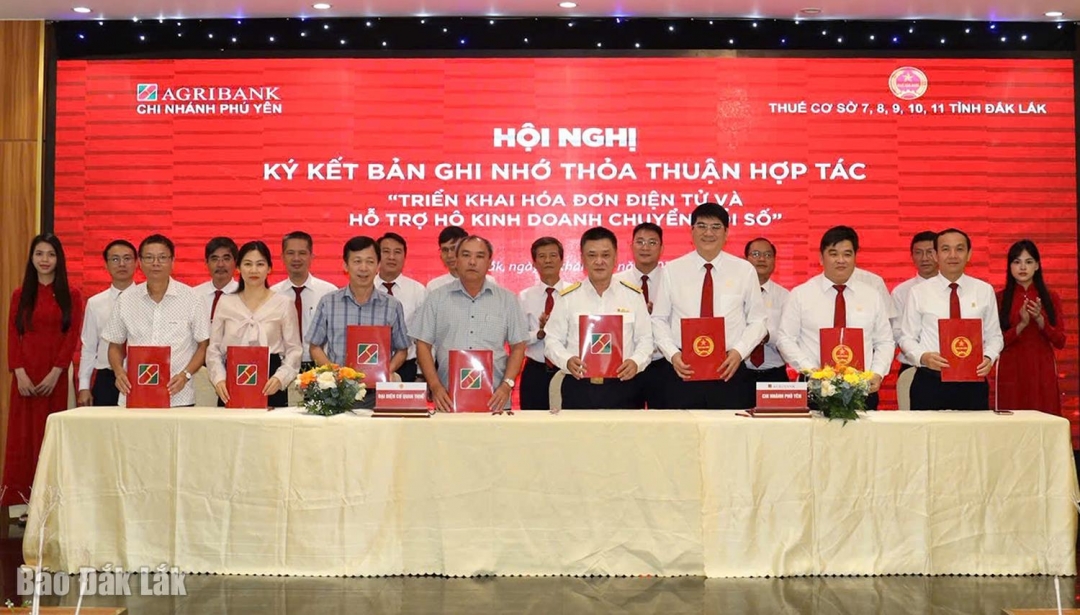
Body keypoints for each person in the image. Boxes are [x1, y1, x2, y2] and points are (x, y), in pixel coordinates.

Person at [651, 203, 767, 409]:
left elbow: (758, 321)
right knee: (682, 429)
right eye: (702, 226)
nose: (708, 233)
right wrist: (673, 354)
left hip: (729, 369)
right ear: (692, 231)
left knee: (729, 429)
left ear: (726, 233)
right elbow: (658, 319)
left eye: (715, 227)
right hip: (683, 370)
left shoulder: (744, 270)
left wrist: (739, 352)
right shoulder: (672, 270)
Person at [4, 233, 83, 509]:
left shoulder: (72, 295)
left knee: (52, 437)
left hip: (56, 377)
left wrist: (56, 372)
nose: (45, 259)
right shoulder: (20, 295)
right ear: (32, 258)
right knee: (23, 438)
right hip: (25, 377)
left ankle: (52, 504)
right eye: (39, 253)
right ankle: (22, 504)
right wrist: (19, 372)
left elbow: (71, 336)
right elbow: (13, 334)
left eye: (51, 254)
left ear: (59, 259)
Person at [776, 227, 894, 409]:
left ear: (855, 257)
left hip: (862, 390)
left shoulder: (872, 296)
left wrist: (877, 373)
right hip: (814, 389)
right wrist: (812, 371)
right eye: (833, 254)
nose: (841, 260)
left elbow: (885, 341)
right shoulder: (801, 295)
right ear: (821, 258)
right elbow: (785, 339)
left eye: (847, 254)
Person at [410, 236, 528, 412]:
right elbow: (422, 344)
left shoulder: (507, 300)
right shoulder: (436, 298)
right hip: (448, 399)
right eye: (466, 255)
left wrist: (507, 385)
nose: (472, 262)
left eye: (480, 256)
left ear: (489, 262)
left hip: (496, 400)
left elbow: (518, 347)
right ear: (456, 260)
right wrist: (435, 386)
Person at [545, 227, 653, 409]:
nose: (599, 261)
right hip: (579, 386)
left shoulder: (633, 295)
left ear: (616, 258)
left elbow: (646, 339)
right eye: (592, 255)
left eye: (606, 255)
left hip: (625, 386)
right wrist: (567, 360)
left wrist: (636, 362)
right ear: (582, 259)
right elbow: (552, 340)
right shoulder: (567, 297)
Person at [899, 228, 1003, 410]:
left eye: (959, 249)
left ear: (969, 254)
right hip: (930, 381)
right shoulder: (918, 292)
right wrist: (923, 357)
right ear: (936, 255)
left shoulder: (984, 290)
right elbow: (906, 337)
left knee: (974, 429)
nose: (953, 255)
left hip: (973, 383)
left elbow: (995, 336)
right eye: (946, 249)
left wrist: (989, 357)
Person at [102, 234, 210, 407]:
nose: (155, 263)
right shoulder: (126, 299)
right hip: (134, 393)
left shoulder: (192, 298)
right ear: (140, 262)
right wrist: (119, 372)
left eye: (162, 257)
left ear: (172, 261)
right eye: (149, 257)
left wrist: (186, 375)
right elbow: (115, 345)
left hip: (177, 396)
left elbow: (203, 345)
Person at [206, 241, 302, 408]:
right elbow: (213, 349)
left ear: (269, 268)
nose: (254, 270)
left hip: (270, 383)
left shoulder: (283, 303)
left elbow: (294, 349)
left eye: (260, 264)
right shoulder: (226, 302)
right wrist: (219, 379)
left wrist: (280, 378)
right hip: (232, 382)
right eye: (248, 264)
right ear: (238, 268)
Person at [307, 236, 409, 384]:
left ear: (378, 266)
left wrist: (386, 371)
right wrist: (334, 374)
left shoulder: (392, 305)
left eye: (370, 261)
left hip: (378, 389)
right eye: (357, 261)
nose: (363, 268)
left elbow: (402, 349)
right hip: (339, 391)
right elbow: (315, 346)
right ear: (345, 265)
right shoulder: (328, 302)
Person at [996, 239, 1066, 415]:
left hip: (1042, 367)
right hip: (1011, 369)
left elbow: (1060, 341)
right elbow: (995, 343)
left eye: (1028, 262)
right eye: (1017, 262)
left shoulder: (1051, 298)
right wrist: (1021, 325)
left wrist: (1040, 321)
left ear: (1037, 266)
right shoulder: (999, 298)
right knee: (1012, 420)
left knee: (1044, 417)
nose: (1022, 267)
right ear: (1010, 266)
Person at [613, 222, 669, 408]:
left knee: (665, 420)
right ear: (631, 246)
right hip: (627, 366)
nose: (645, 247)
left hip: (664, 364)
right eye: (640, 242)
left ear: (662, 248)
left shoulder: (672, 280)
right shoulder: (615, 282)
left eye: (652, 242)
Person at [77, 239, 137, 407]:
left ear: (136, 263)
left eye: (127, 258)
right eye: (115, 259)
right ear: (106, 264)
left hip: (139, 376)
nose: (121, 264)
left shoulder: (148, 299)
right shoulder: (95, 303)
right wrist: (84, 386)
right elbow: (89, 347)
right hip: (106, 378)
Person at [270, 231, 338, 371]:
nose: (296, 258)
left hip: (320, 366)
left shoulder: (329, 292)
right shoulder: (272, 294)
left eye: (302, 253)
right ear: (282, 257)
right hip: (282, 367)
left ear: (311, 256)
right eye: (290, 253)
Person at [518, 237, 568, 410]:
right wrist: (539, 333)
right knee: (533, 423)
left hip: (568, 370)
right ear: (534, 263)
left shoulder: (575, 293)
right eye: (542, 256)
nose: (548, 260)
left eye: (553, 255)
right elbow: (518, 338)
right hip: (536, 372)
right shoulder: (524, 297)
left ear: (562, 260)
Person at [375, 232, 427, 383]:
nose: (392, 257)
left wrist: (421, 373)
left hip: (407, 368)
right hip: (369, 364)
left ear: (405, 257)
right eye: (386, 251)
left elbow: (424, 337)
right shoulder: (365, 288)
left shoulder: (418, 291)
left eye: (397, 252)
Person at [743, 237, 790, 383]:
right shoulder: (734, 293)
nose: (762, 259)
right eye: (756, 254)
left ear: (775, 261)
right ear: (745, 260)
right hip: (739, 373)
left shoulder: (786, 296)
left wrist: (768, 336)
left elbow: (790, 336)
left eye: (768, 255)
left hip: (774, 375)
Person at [890, 231, 938, 374]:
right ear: (911, 256)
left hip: (950, 363)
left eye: (930, 252)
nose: (924, 258)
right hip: (913, 367)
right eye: (918, 253)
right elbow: (897, 332)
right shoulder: (901, 292)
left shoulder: (953, 288)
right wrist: (921, 354)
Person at [194, 236, 239, 321]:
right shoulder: (194, 295)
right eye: (214, 259)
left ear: (236, 262)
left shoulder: (244, 295)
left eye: (226, 259)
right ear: (206, 262)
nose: (220, 264)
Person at [425, 226, 469, 291]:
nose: (449, 255)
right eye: (445, 250)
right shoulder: (435, 286)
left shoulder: (483, 282)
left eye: (453, 248)